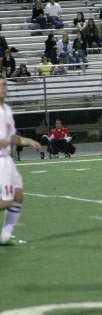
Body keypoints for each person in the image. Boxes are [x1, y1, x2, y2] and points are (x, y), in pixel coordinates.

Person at [0, 77, 41, 244]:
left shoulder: (7, 110)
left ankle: (5, 235)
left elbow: (12, 137)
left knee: (18, 195)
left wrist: (29, 142)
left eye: (4, 84)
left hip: (7, 159)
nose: (2, 87)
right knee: (7, 201)